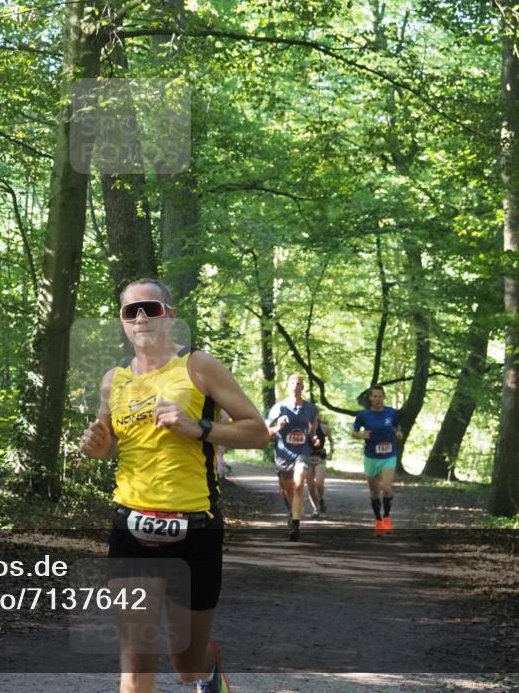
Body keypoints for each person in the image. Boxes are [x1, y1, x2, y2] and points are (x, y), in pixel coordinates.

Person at [79, 278, 268, 693]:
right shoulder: (114, 380)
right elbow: (109, 443)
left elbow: (257, 433)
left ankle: (209, 668)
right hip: (131, 525)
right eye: (132, 311)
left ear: (170, 316)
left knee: (187, 662)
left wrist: (196, 427)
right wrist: (98, 446)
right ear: (123, 323)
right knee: (136, 659)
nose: (142, 317)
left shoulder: (199, 366)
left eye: (151, 308)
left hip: (195, 527)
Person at [266, 374, 317, 541]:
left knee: (298, 484)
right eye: (293, 383)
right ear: (288, 386)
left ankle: (295, 525)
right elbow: (265, 431)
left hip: (302, 452)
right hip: (283, 454)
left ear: (303, 387)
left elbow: (313, 428)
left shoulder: (310, 409)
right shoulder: (278, 408)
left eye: (299, 383)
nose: (296, 386)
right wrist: (277, 427)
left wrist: (314, 438)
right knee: (288, 490)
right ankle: (292, 513)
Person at [351, 384, 402, 534]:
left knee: (386, 488)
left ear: (383, 397)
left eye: (380, 396)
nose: (378, 399)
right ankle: (378, 520)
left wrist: (399, 433)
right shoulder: (363, 415)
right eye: (375, 396)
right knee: (374, 493)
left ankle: (386, 518)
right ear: (370, 398)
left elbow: (398, 427)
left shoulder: (392, 413)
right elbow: (353, 432)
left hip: (389, 455)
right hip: (371, 456)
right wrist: (361, 435)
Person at [307, 416, 333, 517]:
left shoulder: (324, 427)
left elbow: (331, 441)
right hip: (307, 458)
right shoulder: (304, 427)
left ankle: (321, 499)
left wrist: (331, 452)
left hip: (320, 457)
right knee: (310, 486)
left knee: (319, 482)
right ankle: (315, 509)